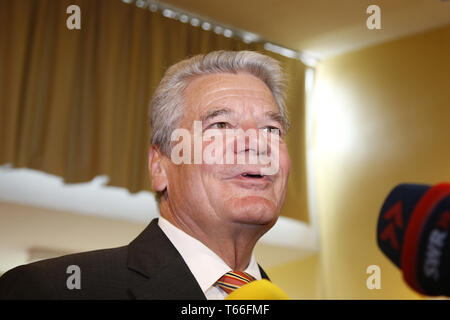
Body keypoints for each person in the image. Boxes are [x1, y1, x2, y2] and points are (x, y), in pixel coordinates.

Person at [0, 50, 291, 299]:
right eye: (221, 125)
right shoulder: (46, 290)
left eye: (271, 130)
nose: (257, 144)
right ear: (159, 166)